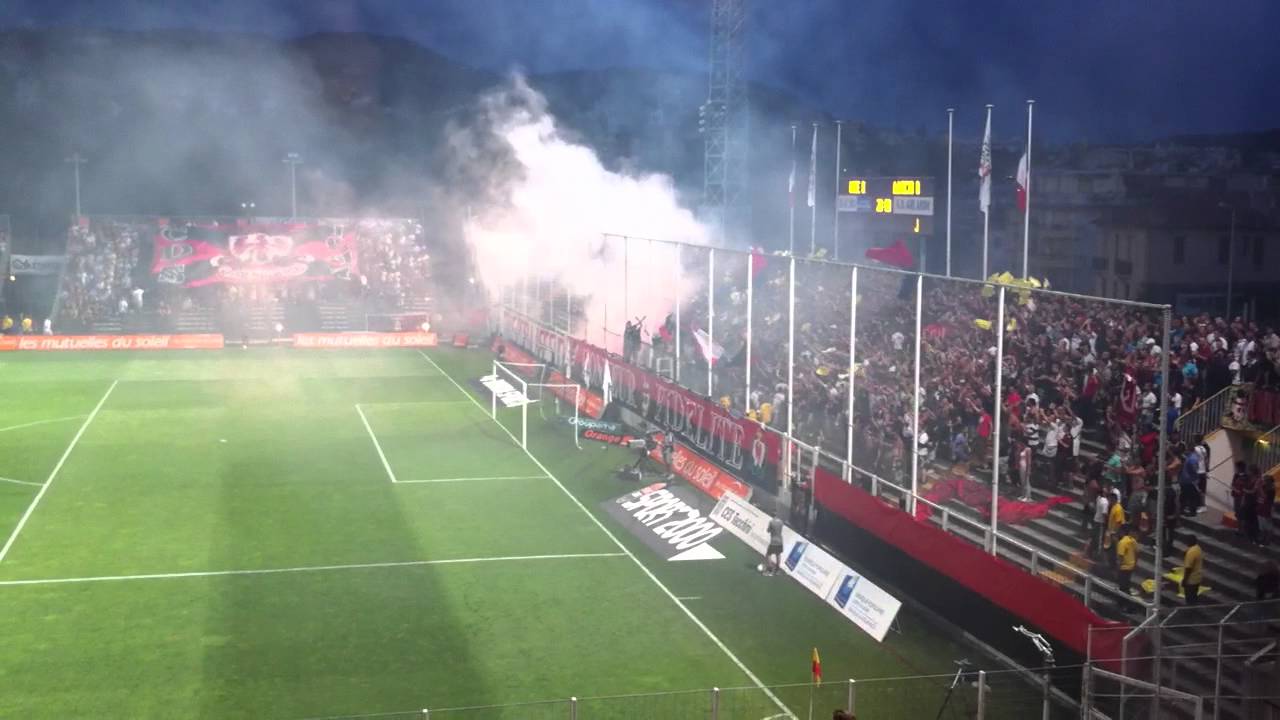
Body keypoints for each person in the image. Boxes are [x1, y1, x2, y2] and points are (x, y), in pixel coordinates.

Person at [1115, 524, 1139, 597]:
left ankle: (1124, 602)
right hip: (1131, 566)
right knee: (1126, 584)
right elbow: (1137, 553)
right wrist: (1135, 564)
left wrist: (1118, 568)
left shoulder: (1122, 542)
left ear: (1122, 531)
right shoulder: (1133, 540)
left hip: (1124, 567)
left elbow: (1120, 556)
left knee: (1123, 586)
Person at [1182, 535, 1203, 605]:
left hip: (1191, 580)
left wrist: (1185, 580)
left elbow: (1188, 568)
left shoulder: (1191, 552)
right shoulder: (1198, 548)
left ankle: (1190, 612)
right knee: (1194, 596)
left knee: (1190, 599)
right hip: (1197, 578)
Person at [763, 511, 784, 576]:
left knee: (768, 555)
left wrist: (771, 529)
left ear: (771, 514)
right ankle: (777, 570)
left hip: (773, 541)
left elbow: (768, 530)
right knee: (778, 554)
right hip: (780, 541)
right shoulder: (781, 522)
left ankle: (769, 570)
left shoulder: (771, 522)